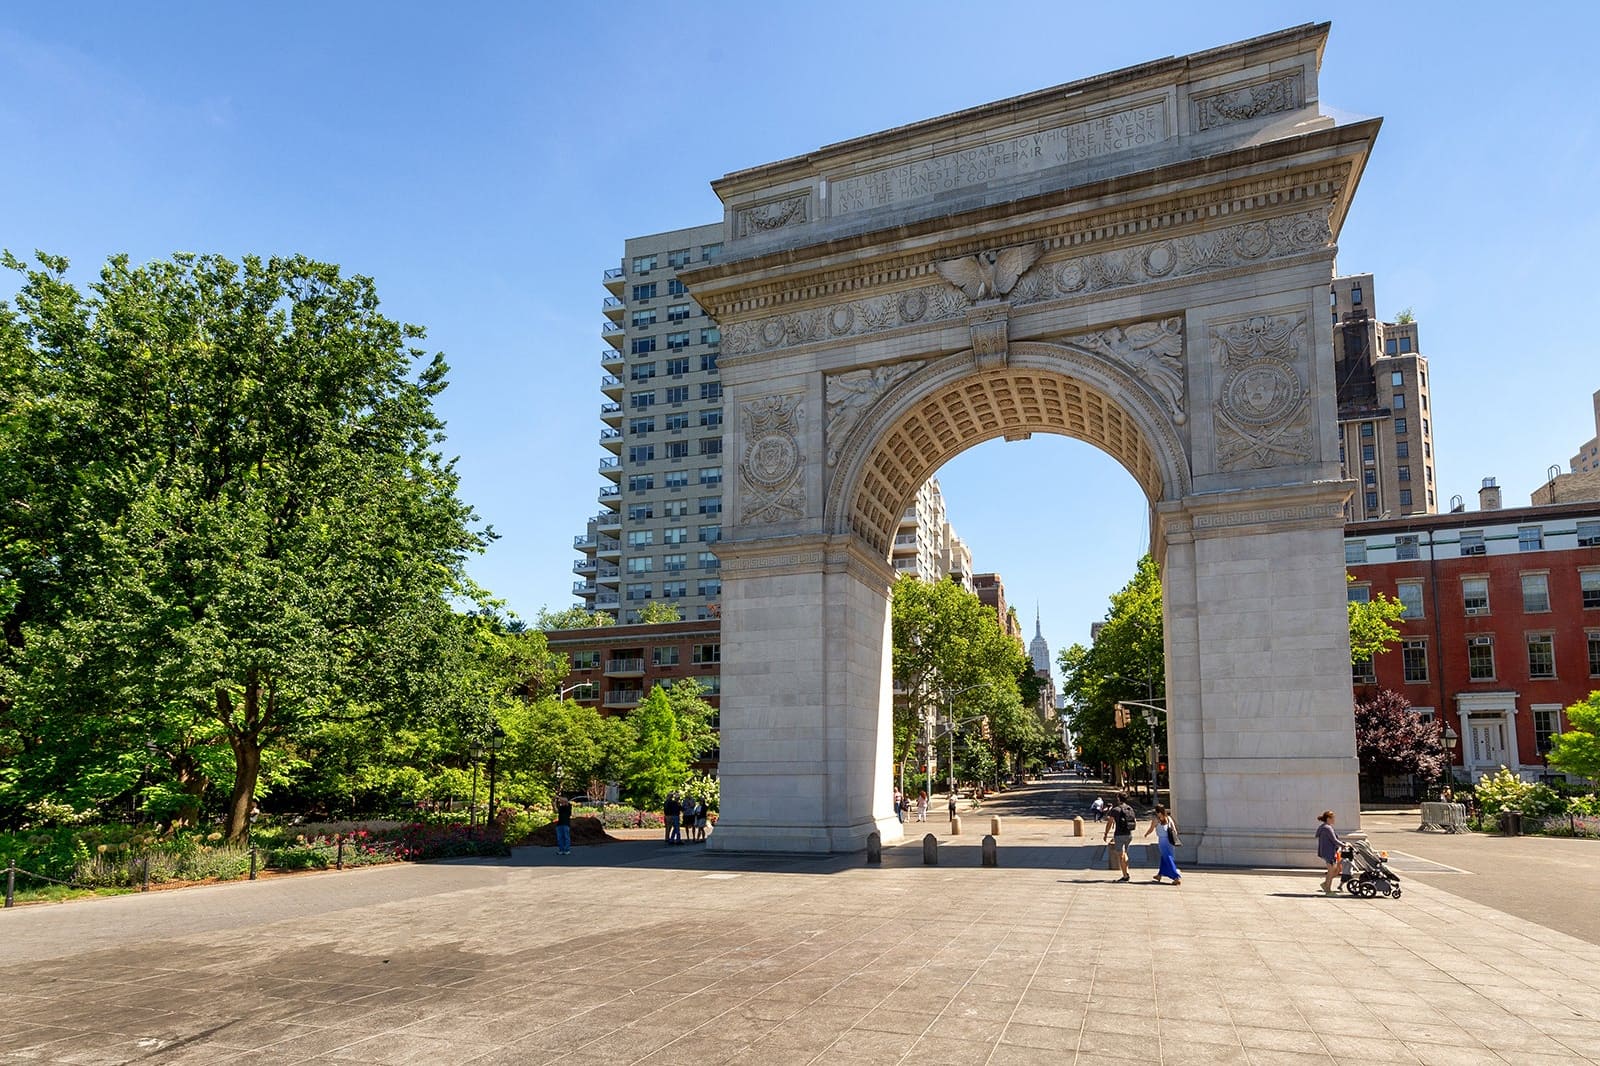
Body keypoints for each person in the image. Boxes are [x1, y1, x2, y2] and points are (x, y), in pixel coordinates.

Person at [1142, 804, 1181, 885]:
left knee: (1167, 859)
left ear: (1157, 812)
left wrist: (1146, 834)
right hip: (1170, 841)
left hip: (1162, 841)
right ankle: (1159, 875)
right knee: (1165, 857)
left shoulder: (1156, 820)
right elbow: (1174, 830)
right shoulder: (1169, 818)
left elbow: (1151, 829)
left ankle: (1176, 876)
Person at [1102, 792, 1136, 882]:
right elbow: (1134, 820)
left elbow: (1110, 822)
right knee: (1125, 854)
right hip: (1129, 834)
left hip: (1119, 834)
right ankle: (1126, 872)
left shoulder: (1115, 810)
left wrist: (1105, 833)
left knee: (1121, 855)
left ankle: (1125, 876)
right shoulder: (1130, 808)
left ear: (1119, 799)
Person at [1316, 809, 1342, 895]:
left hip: (1327, 851)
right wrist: (1344, 845)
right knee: (1332, 871)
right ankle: (1328, 890)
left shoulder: (1323, 827)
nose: (1334, 819)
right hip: (1329, 852)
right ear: (1328, 818)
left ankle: (1326, 884)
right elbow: (1334, 840)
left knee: (1336, 869)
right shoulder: (1327, 828)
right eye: (1333, 818)